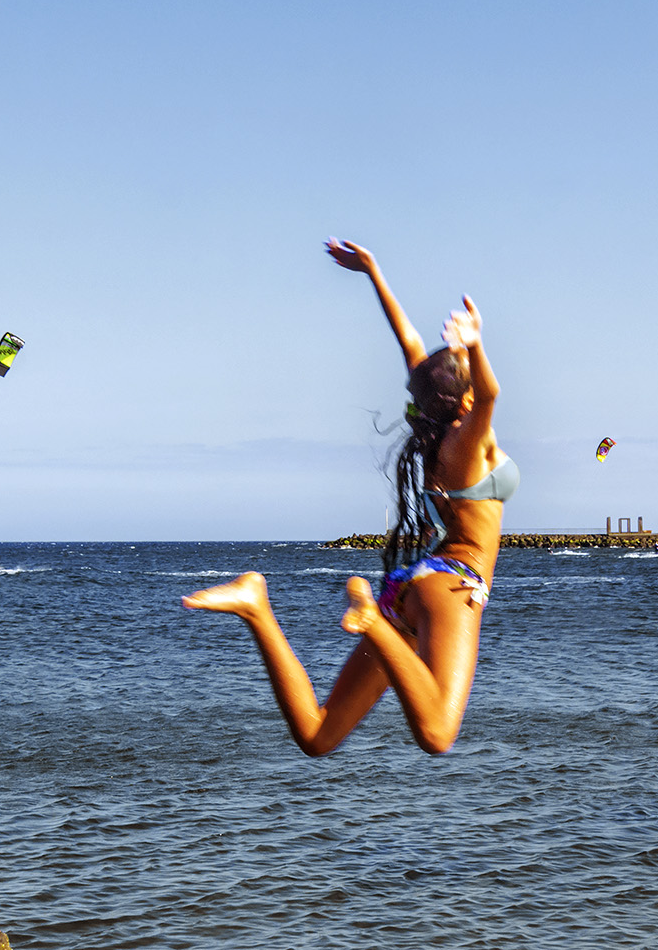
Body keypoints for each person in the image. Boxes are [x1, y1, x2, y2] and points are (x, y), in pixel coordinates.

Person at [184, 238, 515, 755]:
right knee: (437, 735)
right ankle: (366, 614)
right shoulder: (465, 445)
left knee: (318, 736)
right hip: (454, 587)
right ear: (465, 401)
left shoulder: (434, 429)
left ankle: (256, 607)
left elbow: (408, 341)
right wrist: (475, 344)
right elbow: (491, 395)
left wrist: (374, 273)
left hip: (414, 586)